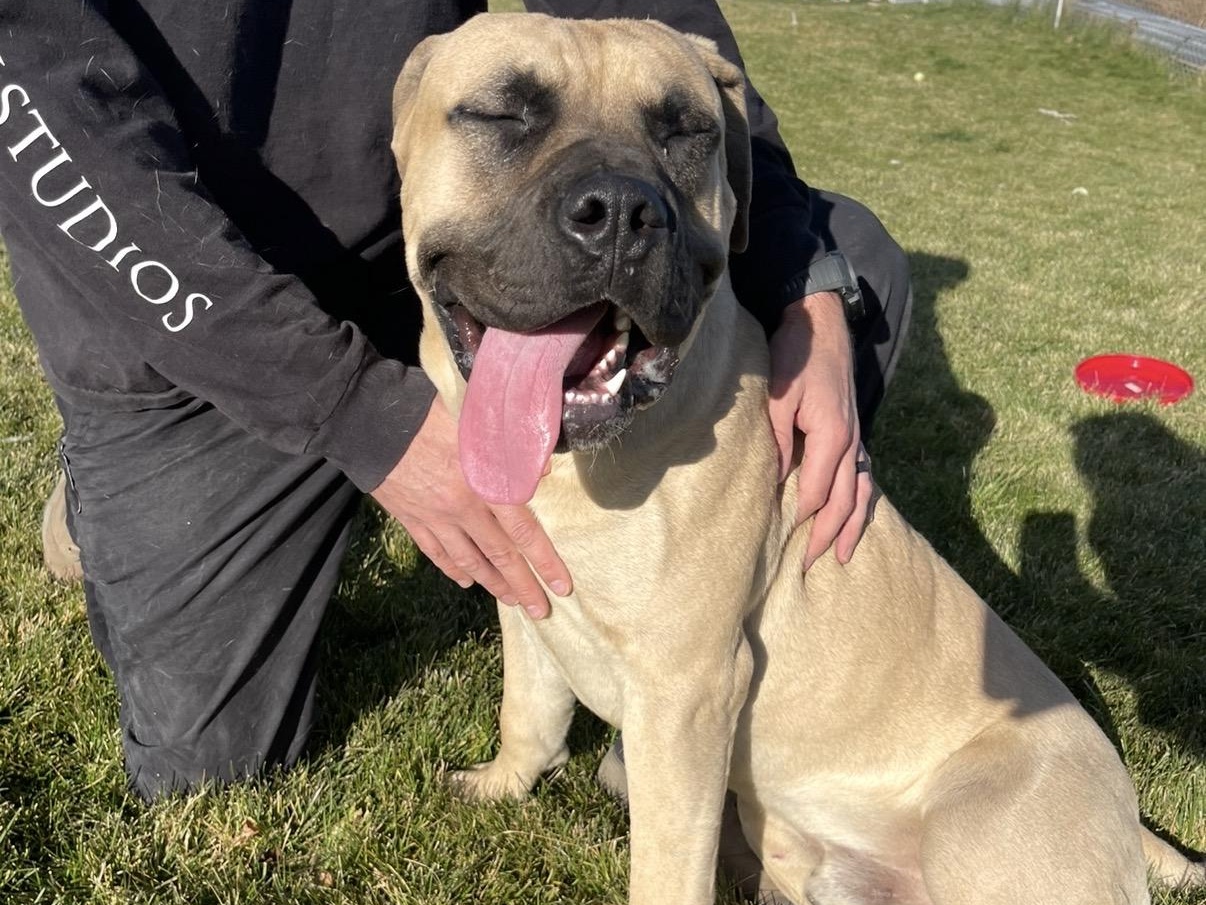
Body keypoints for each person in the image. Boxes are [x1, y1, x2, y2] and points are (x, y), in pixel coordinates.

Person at [0, 0, 911, 800]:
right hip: (200, 313)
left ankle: (707, 620)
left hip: (418, 253)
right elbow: (42, 102)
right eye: (506, 115)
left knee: (852, 262)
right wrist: (360, 410)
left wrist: (801, 278)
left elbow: (641, 11)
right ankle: (98, 506)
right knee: (213, 768)